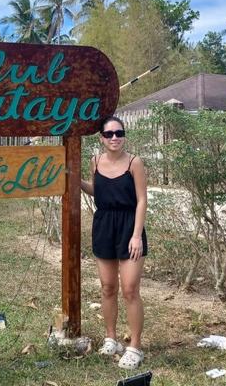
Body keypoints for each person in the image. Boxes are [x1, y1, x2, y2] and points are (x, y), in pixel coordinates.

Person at [80, 116, 148, 369]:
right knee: (108, 287)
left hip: (130, 227)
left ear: (124, 135)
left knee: (130, 289)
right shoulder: (95, 161)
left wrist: (136, 235)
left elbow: (142, 200)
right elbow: (96, 189)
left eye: (119, 133)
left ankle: (135, 346)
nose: (114, 138)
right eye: (108, 134)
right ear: (101, 138)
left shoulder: (134, 162)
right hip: (104, 226)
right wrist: (73, 179)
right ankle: (112, 338)